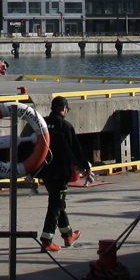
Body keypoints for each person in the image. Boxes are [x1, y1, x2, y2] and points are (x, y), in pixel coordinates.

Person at [38, 96, 89, 252]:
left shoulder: (42, 123)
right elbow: (75, 150)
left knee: (58, 202)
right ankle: (47, 239)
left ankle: (67, 235)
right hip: (60, 172)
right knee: (55, 204)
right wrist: (85, 167)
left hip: (44, 171)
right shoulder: (65, 126)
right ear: (64, 109)